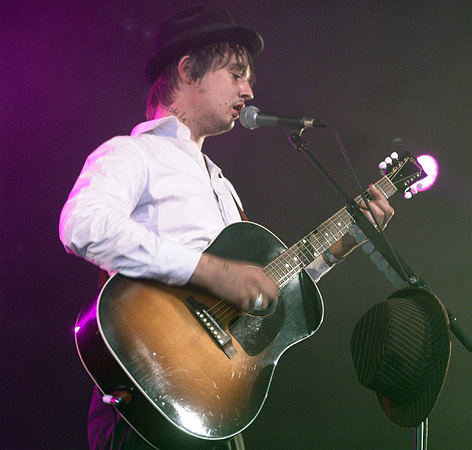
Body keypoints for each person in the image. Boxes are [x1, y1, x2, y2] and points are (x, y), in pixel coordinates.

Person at [59, 5, 394, 450]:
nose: (249, 89)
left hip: (215, 408)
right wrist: (213, 272)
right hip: (145, 395)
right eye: (236, 73)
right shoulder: (132, 154)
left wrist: (339, 246)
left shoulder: (222, 185)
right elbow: (81, 225)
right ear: (187, 71)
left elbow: (261, 290)